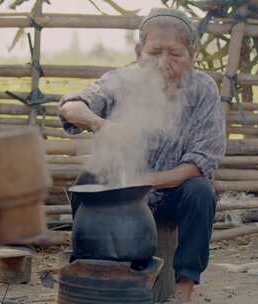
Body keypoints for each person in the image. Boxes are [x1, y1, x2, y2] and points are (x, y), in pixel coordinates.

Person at [58, 7, 227, 303]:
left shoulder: (202, 90)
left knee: (201, 192)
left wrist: (146, 181)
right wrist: (100, 124)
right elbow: (71, 107)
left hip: (172, 194)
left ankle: (183, 288)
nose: (163, 63)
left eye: (175, 54)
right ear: (139, 52)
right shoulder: (121, 81)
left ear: (192, 55)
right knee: (88, 179)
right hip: (121, 199)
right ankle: (87, 271)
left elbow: (202, 162)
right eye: (154, 52)